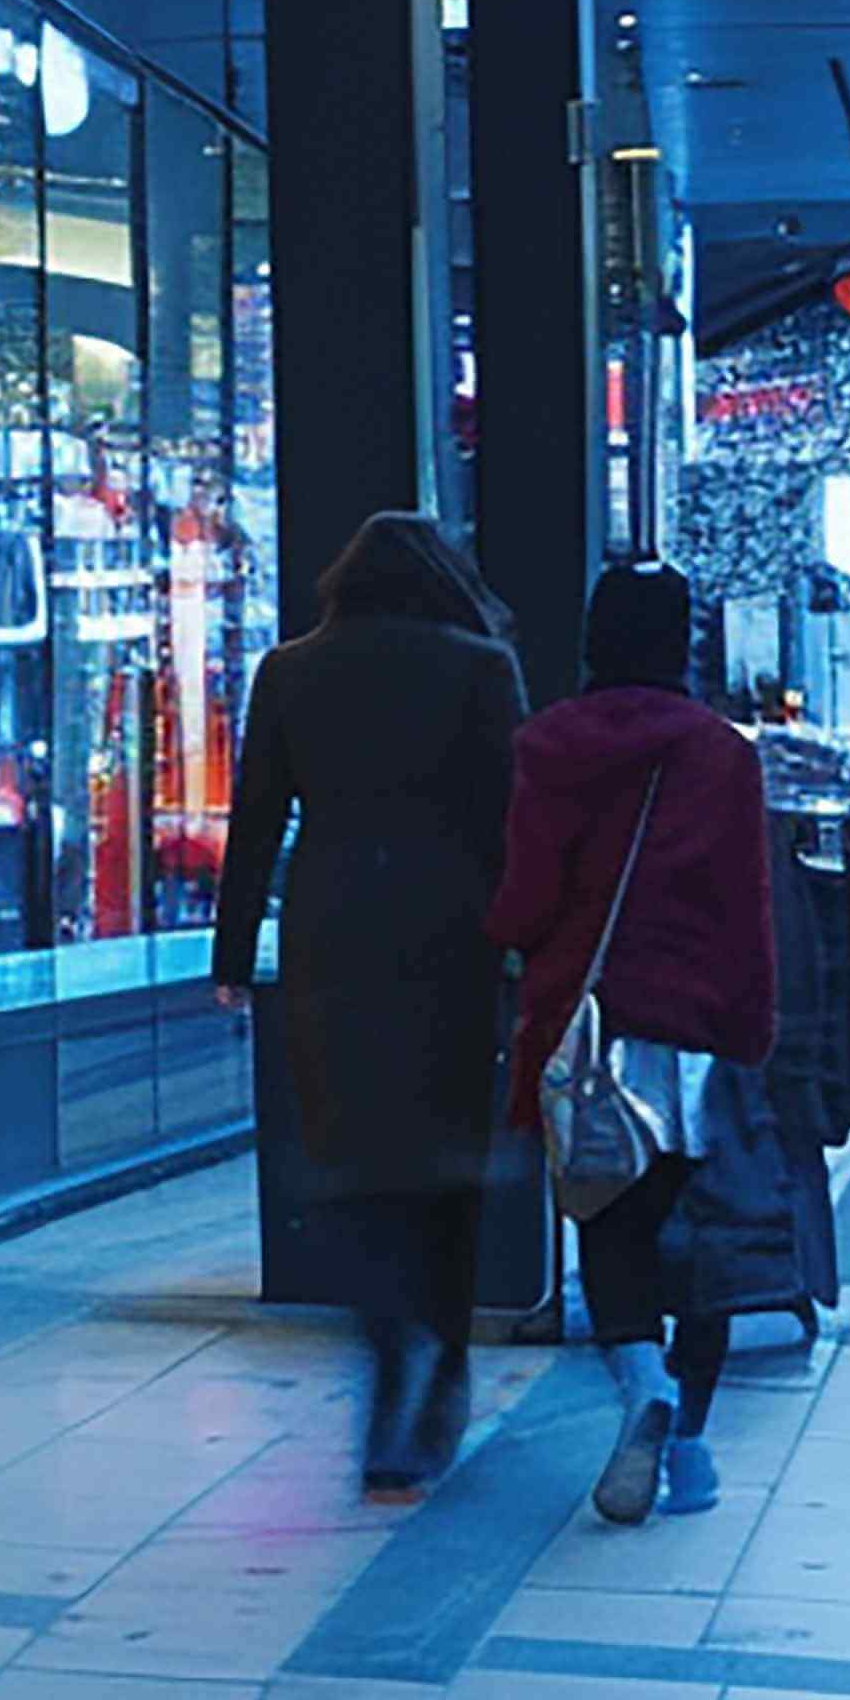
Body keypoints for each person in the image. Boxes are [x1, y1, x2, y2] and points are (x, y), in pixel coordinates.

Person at [212, 515, 527, 1495]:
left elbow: (255, 817)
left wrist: (230, 955)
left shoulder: (287, 671)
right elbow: (513, 813)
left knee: (355, 1157)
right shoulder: (480, 664)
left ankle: (389, 1363)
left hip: (329, 933)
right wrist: (527, 940)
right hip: (452, 933)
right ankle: (442, 1358)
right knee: (444, 1156)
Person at [491, 559, 790, 1525]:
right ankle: (690, 1450)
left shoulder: (545, 744)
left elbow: (522, 902)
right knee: (700, 1244)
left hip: (588, 1036)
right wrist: (754, 1028)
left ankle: (641, 1390)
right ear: (681, 638)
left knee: (607, 1232)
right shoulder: (720, 751)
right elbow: (747, 906)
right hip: (699, 1029)